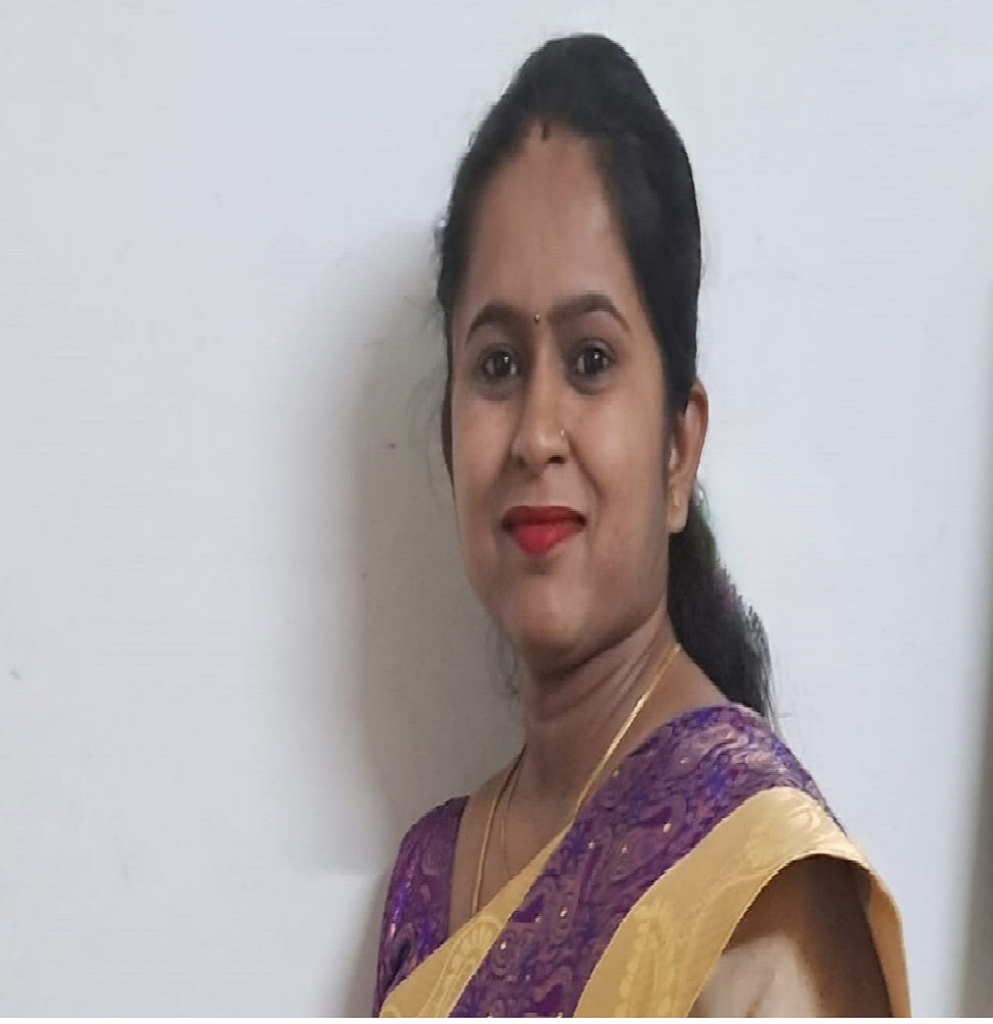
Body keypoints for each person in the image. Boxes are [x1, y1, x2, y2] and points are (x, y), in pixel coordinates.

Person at [373, 33, 910, 1017]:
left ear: (675, 448)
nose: (536, 433)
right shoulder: (429, 877)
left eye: (590, 359)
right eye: (496, 365)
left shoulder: (761, 886)